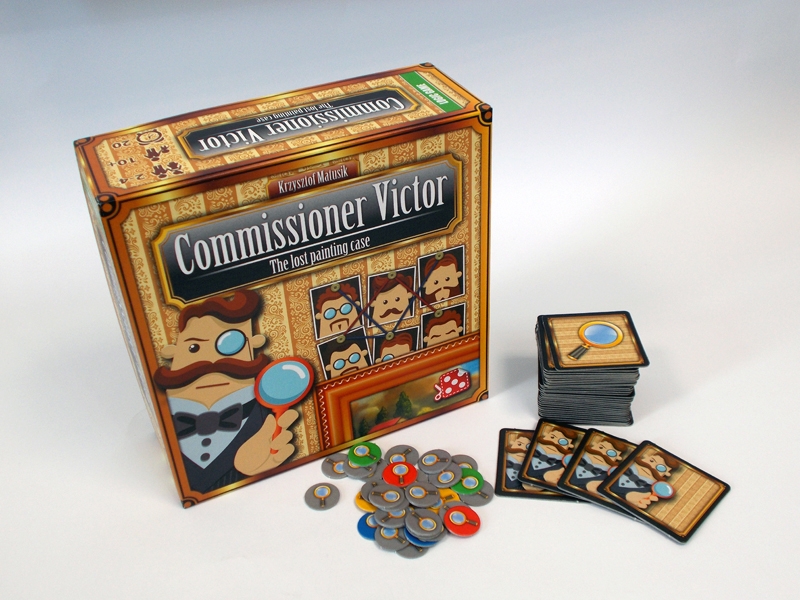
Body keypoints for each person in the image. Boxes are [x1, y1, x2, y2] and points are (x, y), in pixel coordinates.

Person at [154, 290, 298, 494]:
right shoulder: (163, 417)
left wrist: (257, 468)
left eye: (231, 344)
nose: (213, 361)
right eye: (194, 348)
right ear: (172, 352)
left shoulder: (268, 417)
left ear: (253, 344)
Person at [609, 450, 679, 509]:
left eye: (660, 468)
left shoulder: (646, 492)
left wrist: (630, 498)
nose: (651, 466)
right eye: (651, 461)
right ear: (646, 457)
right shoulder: (621, 468)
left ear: (666, 474)